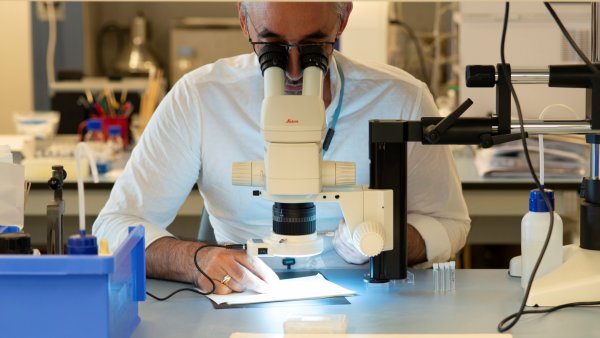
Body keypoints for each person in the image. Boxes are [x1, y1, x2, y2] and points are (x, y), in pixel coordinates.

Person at [93, 2, 470, 295]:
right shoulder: (201, 99)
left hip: (372, 296)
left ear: (342, 21)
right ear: (244, 20)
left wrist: (388, 240)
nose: (292, 70)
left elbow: (449, 223)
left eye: (313, 46)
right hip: (241, 298)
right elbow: (113, 226)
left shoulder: (400, 99)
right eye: (271, 46)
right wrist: (196, 258)